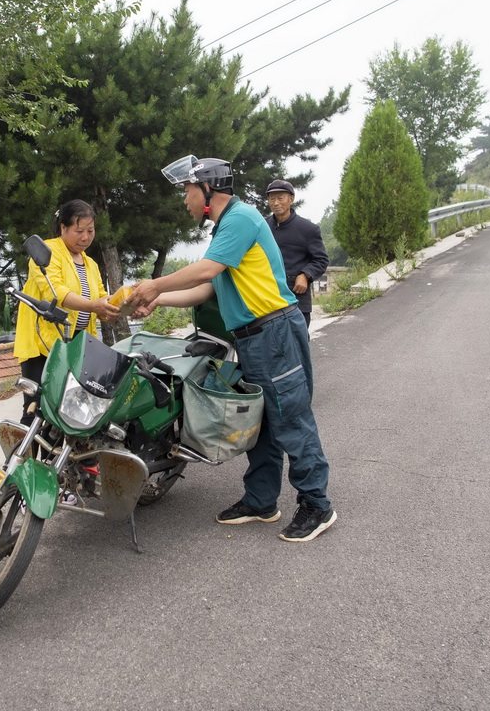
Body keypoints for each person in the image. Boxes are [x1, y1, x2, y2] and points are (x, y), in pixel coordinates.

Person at [127, 155, 336, 543]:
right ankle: (261, 501)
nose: (184, 200)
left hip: (274, 332)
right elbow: (209, 288)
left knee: (291, 418)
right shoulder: (228, 226)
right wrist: (160, 300)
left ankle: (317, 504)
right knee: (265, 423)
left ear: (208, 189)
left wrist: (156, 284)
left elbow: (206, 271)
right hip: (256, 337)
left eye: (187, 191)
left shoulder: (239, 219)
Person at [13, 199, 120, 424]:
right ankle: (25, 458)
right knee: (36, 408)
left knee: (67, 410)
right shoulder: (48, 252)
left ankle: (58, 458)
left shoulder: (90, 263)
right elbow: (56, 292)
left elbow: (101, 298)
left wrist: (121, 305)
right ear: (63, 228)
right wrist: (94, 305)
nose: (85, 237)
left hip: (75, 345)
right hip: (43, 343)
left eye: (90, 231)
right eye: (79, 231)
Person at [264, 179, 329, 328]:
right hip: (266, 298)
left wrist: (305, 275)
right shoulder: (262, 227)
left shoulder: (308, 229)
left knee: (296, 346)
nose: (276, 203)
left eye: (280, 198)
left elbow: (321, 260)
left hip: (296, 299)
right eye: (272, 198)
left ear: (291, 199)